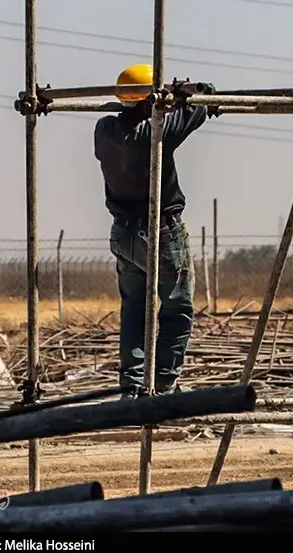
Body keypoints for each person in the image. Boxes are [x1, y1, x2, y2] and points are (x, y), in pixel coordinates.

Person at [93, 63, 208, 398]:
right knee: (176, 308)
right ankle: (163, 385)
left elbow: (141, 116)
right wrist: (194, 91)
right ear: (149, 103)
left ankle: (132, 384)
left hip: (123, 234)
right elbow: (202, 105)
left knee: (134, 309)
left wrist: (165, 100)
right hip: (159, 232)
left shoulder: (104, 130)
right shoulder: (156, 131)